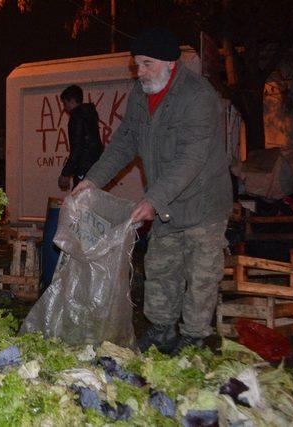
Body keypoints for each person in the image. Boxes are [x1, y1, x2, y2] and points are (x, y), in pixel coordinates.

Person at [72, 28, 232, 354]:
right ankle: (161, 332)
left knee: (201, 279)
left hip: (202, 205)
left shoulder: (199, 96)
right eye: (137, 65)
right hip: (168, 206)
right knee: (161, 269)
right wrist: (92, 180)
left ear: (170, 62)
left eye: (146, 64)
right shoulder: (140, 95)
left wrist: (152, 200)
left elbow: (191, 159)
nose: (139, 72)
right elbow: (124, 142)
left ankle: (194, 340)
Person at [57, 85, 104, 191]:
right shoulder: (89, 115)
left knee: (78, 199)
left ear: (72, 101)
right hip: (95, 167)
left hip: (84, 167)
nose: (65, 107)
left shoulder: (77, 117)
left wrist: (65, 173)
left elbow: (77, 148)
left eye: (65, 103)